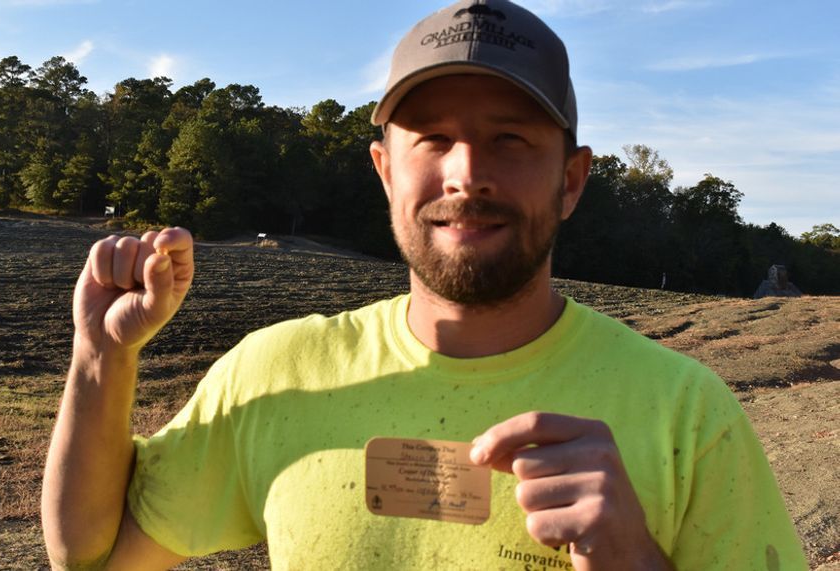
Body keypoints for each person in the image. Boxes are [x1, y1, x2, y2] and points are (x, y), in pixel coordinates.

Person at [41, 1, 806, 569]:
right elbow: (92, 555)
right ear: (383, 169)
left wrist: (635, 558)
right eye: (433, 137)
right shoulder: (276, 372)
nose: (466, 172)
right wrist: (101, 358)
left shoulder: (685, 411)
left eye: (509, 138)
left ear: (571, 181)